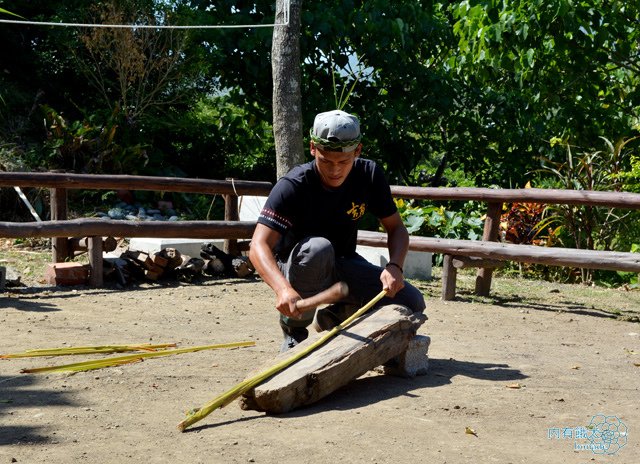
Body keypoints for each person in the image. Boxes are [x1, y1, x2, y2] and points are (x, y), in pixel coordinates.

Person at [249, 110, 426, 351]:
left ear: (358, 151)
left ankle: (336, 316)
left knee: (411, 302)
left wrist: (395, 266)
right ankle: (294, 332)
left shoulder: (369, 175)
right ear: (313, 148)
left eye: (343, 162)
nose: (335, 171)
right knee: (317, 248)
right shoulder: (293, 185)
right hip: (296, 265)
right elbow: (258, 246)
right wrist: (282, 289)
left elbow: (396, 228)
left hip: (342, 263)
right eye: (326, 161)